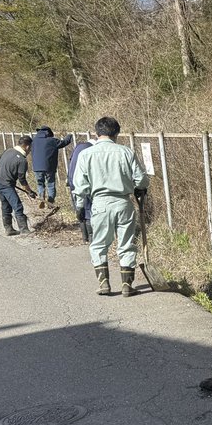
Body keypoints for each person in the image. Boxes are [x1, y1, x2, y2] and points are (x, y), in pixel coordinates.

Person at [71, 116, 149, 296]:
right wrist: (140, 188)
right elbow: (141, 179)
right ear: (117, 133)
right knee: (127, 244)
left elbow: (80, 186)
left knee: (99, 244)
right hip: (123, 203)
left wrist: (80, 207)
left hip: (100, 204)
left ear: (96, 133)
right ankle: (127, 285)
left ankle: (104, 282)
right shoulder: (125, 152)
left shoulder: (86, 155)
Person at [0, 136, 37, 236]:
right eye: (30, 148)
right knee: (17, 206)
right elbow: (22, 179)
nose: (30, 150)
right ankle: (24, 230)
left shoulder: (8, 151)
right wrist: (30, 192)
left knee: (6, 205)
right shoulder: (22, 160)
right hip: (6, 185)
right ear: (27, 146)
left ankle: (8, 229)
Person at [30, 125, 73, 210]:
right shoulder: (52, 141)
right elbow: (64, 142)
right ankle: (51, 200)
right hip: (49, 167)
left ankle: (41, 197)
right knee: (50, 184)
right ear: (49, 133)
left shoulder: (34, 141)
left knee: (40, 183)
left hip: (37, 167)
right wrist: (69, 135)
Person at [66, 131, 94, 242]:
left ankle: (84, 237)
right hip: (82, 183)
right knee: (87, 210)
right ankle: (91, 237)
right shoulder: (89, 151)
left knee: (79, 209)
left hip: (72, 181)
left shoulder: (77, 148)